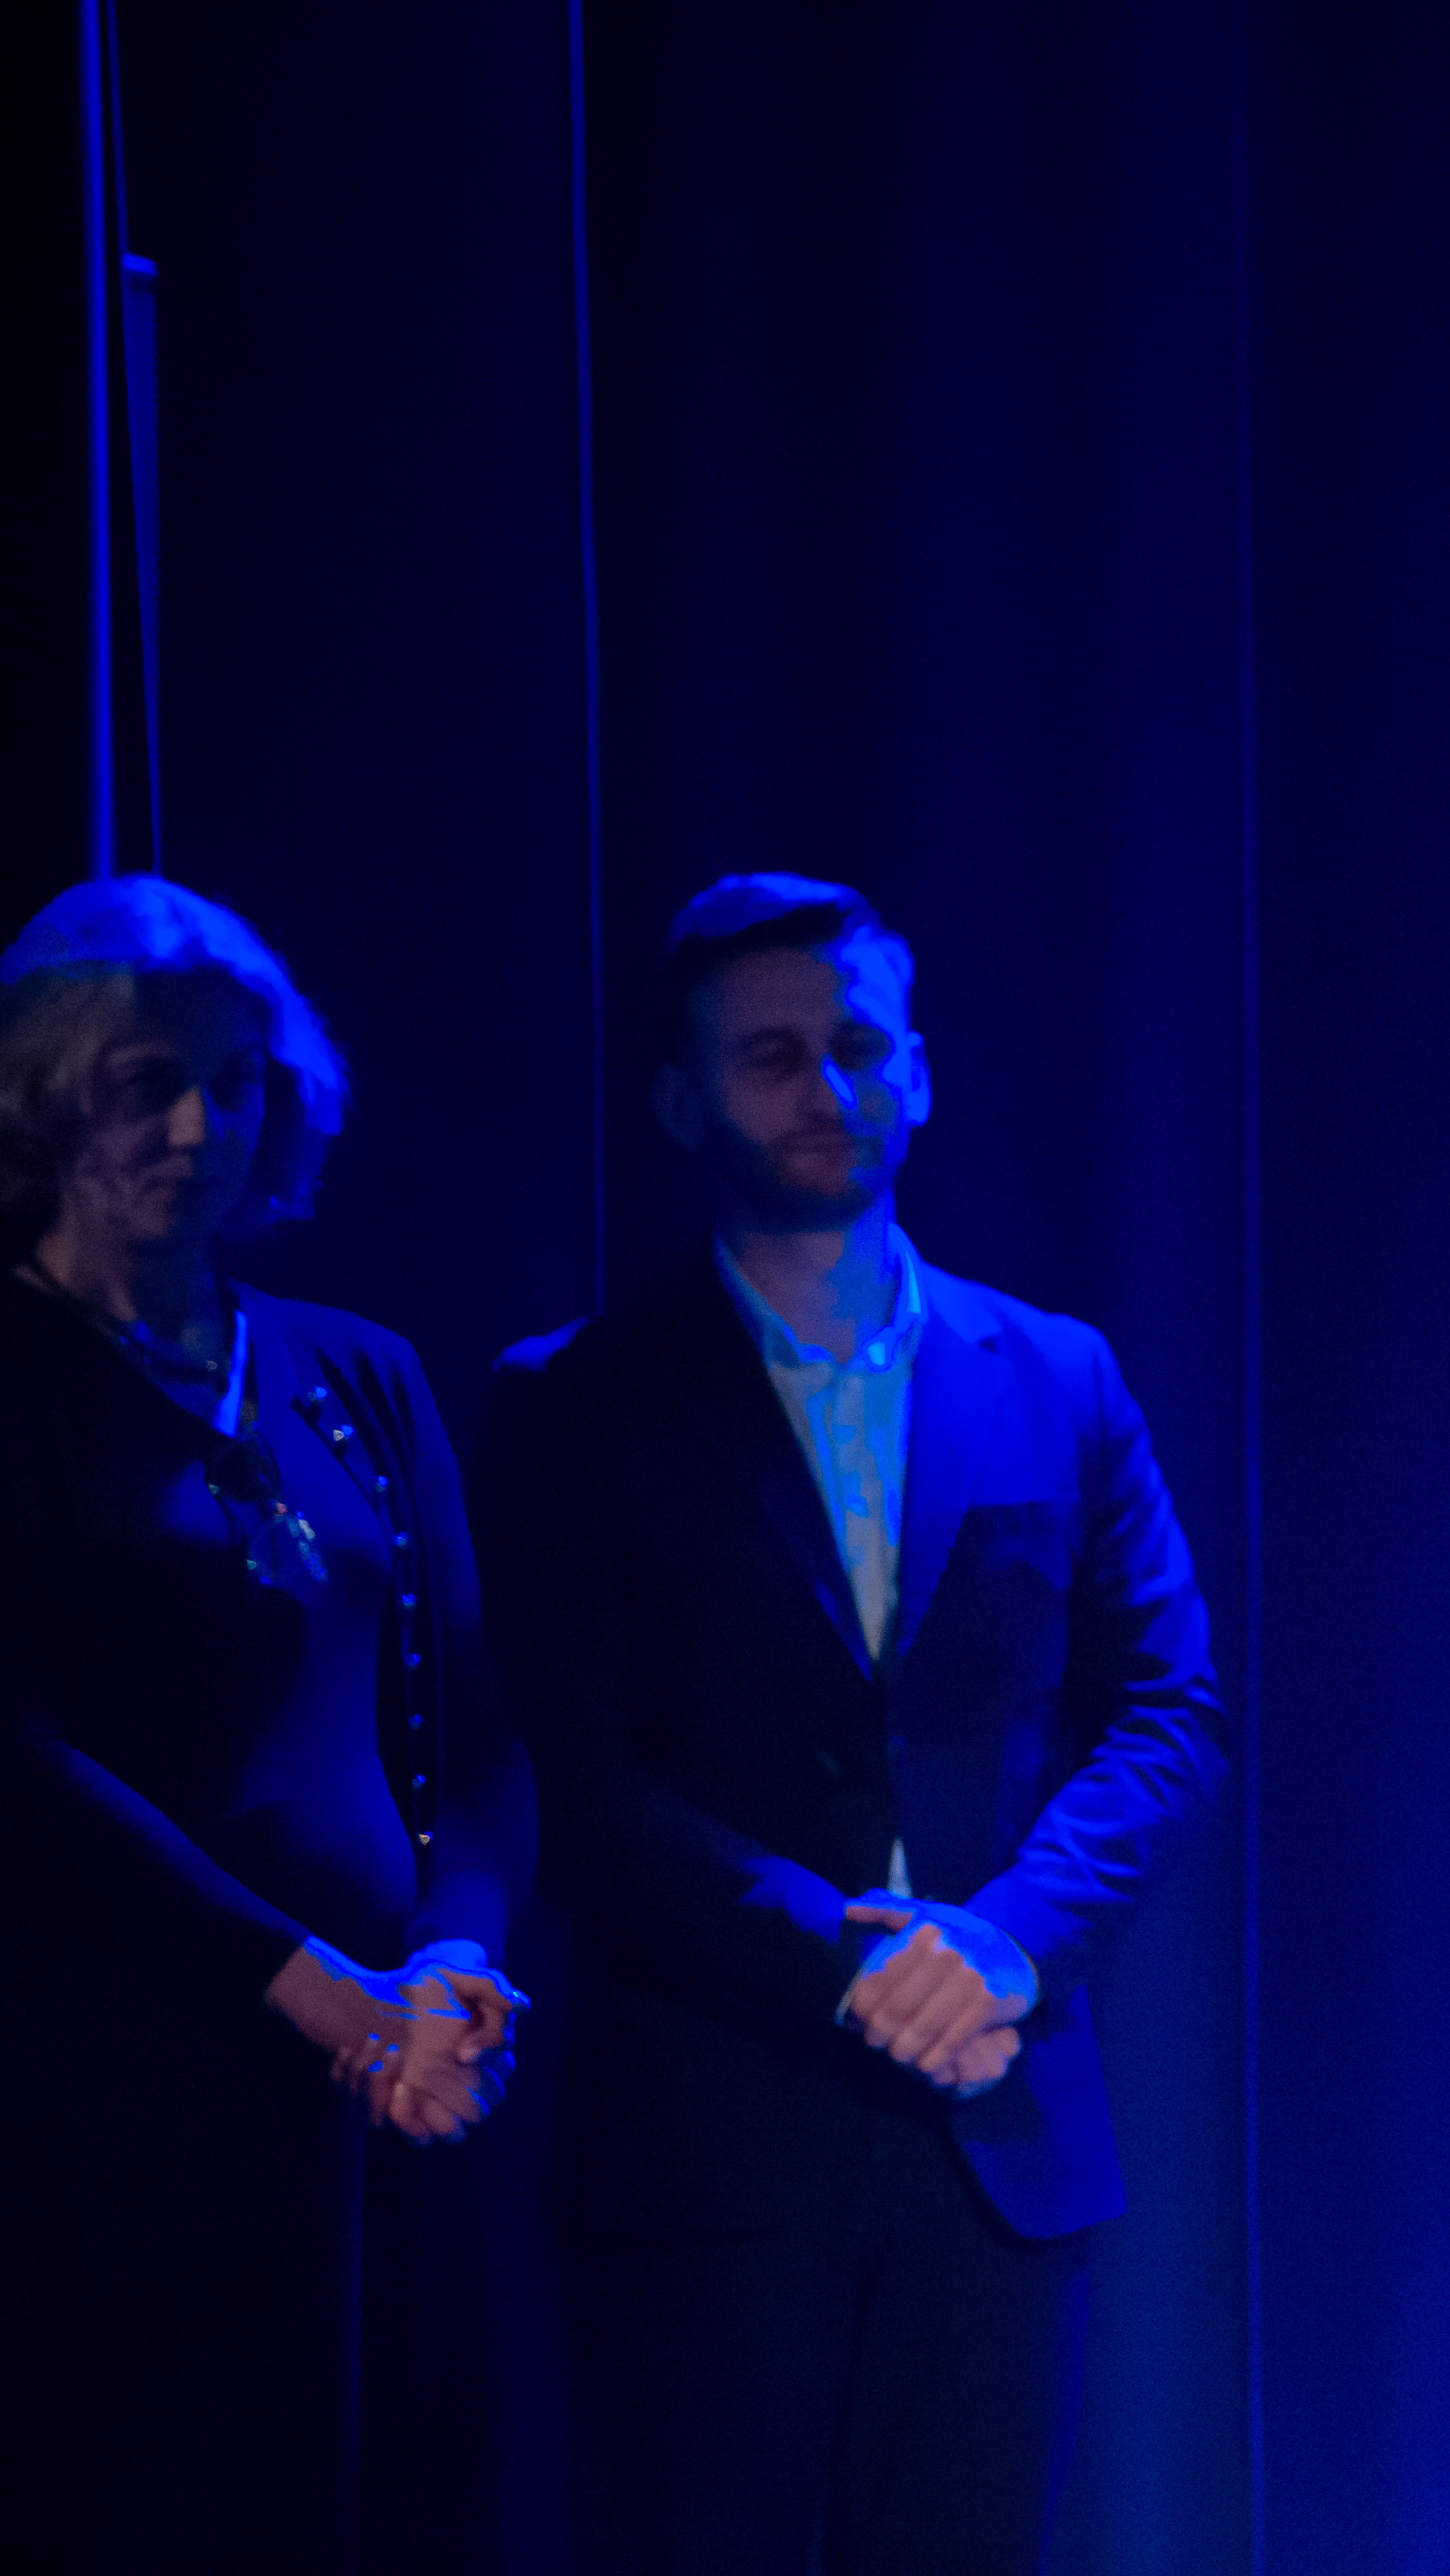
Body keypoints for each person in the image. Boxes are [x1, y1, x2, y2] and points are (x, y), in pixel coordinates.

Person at [476, 875, 1230, 2575]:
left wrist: (1007, 1941)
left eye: (859, 1046)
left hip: (998, 2126)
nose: (824, 1087)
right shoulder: (574, 1399)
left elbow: (1168, 1711)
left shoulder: (1058, 1373)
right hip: (706, 2144)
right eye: (770, 1056)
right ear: (682, 1099)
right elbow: (567, 1775)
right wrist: (846, 1956)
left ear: (922, 1072)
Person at [0, 874, 530, 2573]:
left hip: (380, 2093)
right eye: (144, 1083)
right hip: (121, 2102)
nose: (195, 1127)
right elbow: (21, 1767)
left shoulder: (356, 1370)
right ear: (43, 1097)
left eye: (235, 1085)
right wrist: (313, 1990)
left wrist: (448, 1962)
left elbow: (473, 1737)